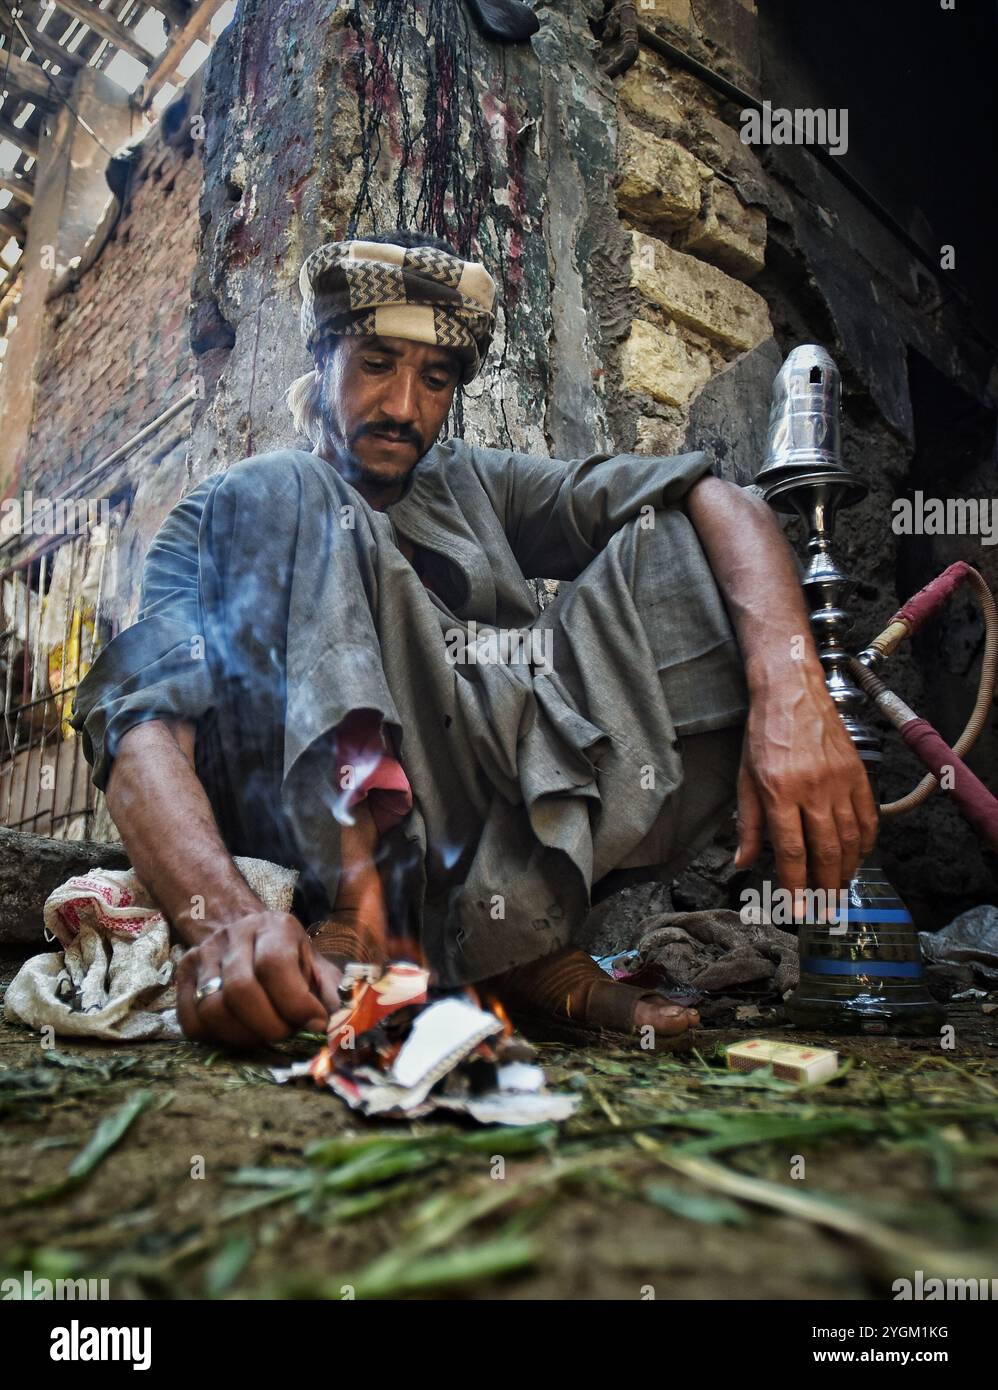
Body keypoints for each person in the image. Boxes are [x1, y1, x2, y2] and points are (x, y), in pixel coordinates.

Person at [70, 230, 877, 1050]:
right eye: (376, 363)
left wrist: (792, 690)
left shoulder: (466, 481)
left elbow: (712, 495)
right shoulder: (222, 515)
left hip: (470, 824)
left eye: (436, 378)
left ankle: (514, 946)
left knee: (693, 544)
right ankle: (362, 920)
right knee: (286, 486)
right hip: (303, 843)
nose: (402, 407)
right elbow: (141, 728)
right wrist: (228, 925)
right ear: (322, 358)